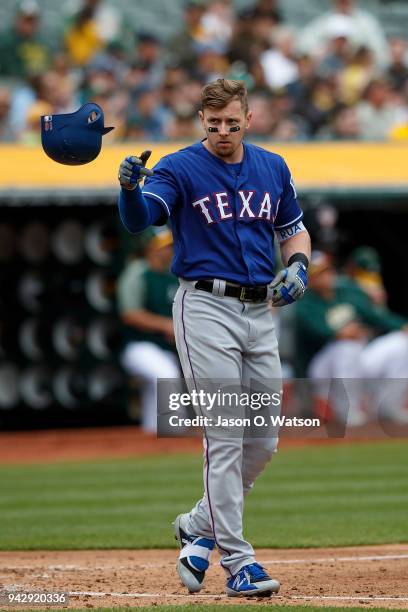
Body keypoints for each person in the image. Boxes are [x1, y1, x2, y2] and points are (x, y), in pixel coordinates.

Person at [117, 78, 311, 597]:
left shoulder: (273, 166)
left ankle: (198, 527)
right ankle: (238, 562)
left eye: (232, 122)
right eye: (213, 123)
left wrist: (298, 263)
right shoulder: (180, 167)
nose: (223, 131)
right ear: (201, 122)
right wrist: (130, 190)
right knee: (225, 435)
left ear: (249, 119)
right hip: (203, 306)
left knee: (264, 440)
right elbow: (143, 221)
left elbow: (293, 227)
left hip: (259, 309)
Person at [117, 229, 180, 433]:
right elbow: (130, 313)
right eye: (164, 246)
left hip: (166, 348)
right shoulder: (138, 272)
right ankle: (164, 437)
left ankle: (151, 440)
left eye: (170, 245)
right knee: (165, 376)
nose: (169, 250)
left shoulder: (173, 275)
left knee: (161, 396)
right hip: (139, 346)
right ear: (150, 247)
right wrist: (165, 325)